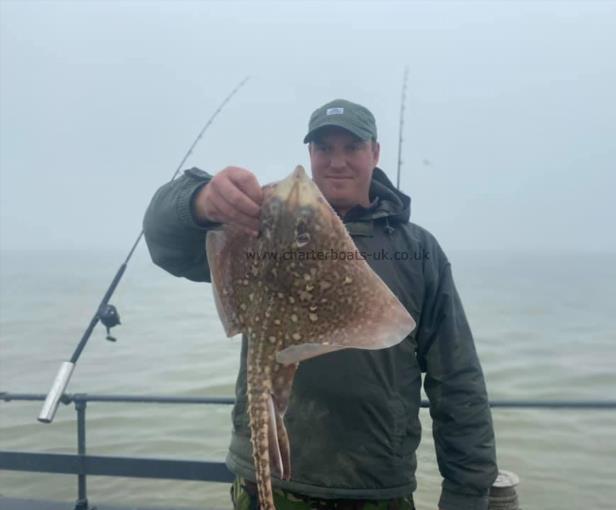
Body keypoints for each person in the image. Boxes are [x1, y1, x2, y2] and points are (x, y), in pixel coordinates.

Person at [143, 99, 497, 510]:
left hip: (375, 487)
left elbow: (457, 380)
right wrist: (198, 201)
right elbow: (164, 241)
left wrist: (467, 494)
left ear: (375, 153)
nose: (337, 161)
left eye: (352, 148)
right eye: (324, 148)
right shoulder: (258, 229)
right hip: (269, 479)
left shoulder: (416, 250)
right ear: (310, 154)